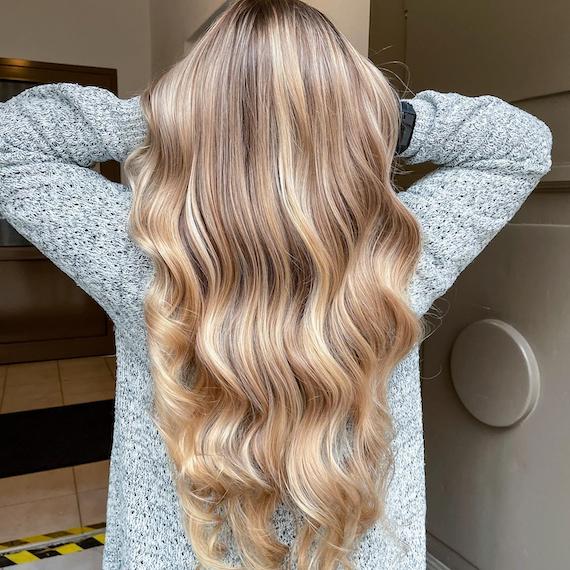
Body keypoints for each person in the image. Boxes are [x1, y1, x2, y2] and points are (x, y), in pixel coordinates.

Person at [0, 0, 552, 568]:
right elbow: (521, 143)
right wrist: (392, 118)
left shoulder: (143, 259)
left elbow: (11, 143)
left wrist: (165, 113)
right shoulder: (401, 261)